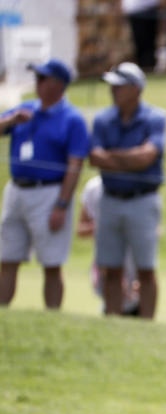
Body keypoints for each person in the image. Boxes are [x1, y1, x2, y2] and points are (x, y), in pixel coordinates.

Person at [0, 59, 88, 310]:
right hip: (16, 190)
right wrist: (10, 121)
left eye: (42, 79)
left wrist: (62, 204)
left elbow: (75, 165)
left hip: (48, 193)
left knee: (50, 262)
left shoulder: (72, 119)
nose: (36, 83)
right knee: (7, 257)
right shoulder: (24, 110)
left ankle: (51, 315)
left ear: (58, 85)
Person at [90, 62, 166, 320]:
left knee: (146, 269)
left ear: (135, 89)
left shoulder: (155, 117)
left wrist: (112, 159)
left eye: (119, 86)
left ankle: (145, 324)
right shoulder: (102, 119)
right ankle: (113, 319)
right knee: (110, 268)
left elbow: (147, 157)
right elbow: (95, 157)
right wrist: (129, 160)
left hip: (142, 200)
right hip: (110, 199)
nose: (112, 90)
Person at [76, 175, 141, 316]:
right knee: (113, 304)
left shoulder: (140, 183)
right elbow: (81, 229)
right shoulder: (94, 187)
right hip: (106, 262)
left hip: (133, 265)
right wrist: (104, 227)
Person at [123, 0, 161, 71]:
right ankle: (143, 68)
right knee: (140, 45)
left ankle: (148, 68)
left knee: (148, 46)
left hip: (149, 10)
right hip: (134, 11)